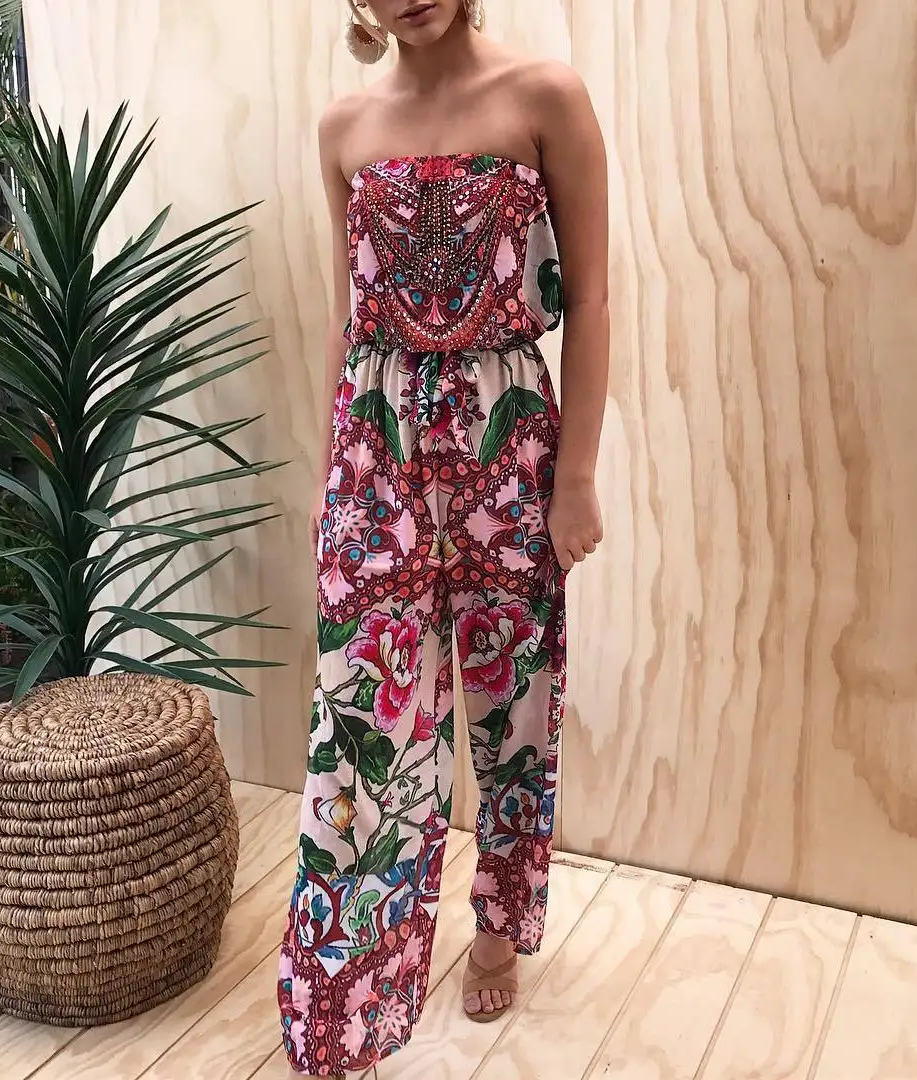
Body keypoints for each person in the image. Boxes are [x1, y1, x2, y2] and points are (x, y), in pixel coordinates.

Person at [277, 0, 609, 1073]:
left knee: (513, 703)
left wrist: (576, 477)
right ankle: (352, 974)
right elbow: (349, 315)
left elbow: (593, 298)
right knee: (361, 715)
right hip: (374, 450)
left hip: (508, 443)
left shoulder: (545, 96)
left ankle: (501, 922)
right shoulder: (342, 128)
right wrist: (331, 476)